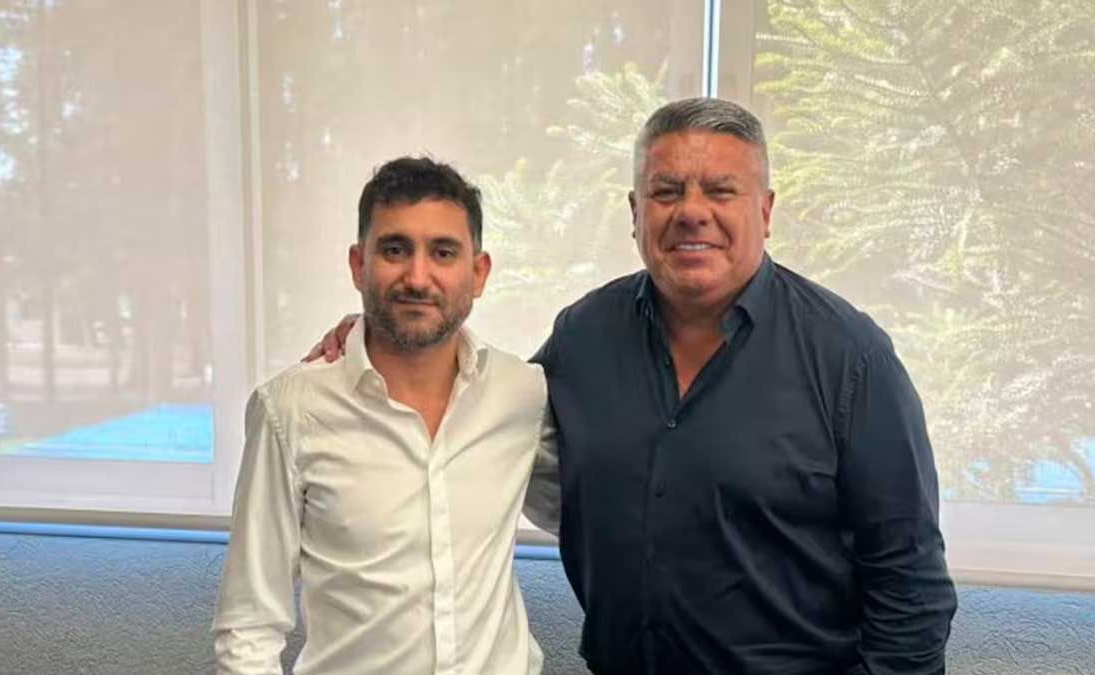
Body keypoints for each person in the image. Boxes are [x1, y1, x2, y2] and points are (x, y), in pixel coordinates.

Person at [307, 98, 957, 674]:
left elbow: (912, 588)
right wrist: (381, 335)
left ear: (764, 210)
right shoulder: (584, 336)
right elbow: (471, 408)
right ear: (635, 212)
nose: (692, 212)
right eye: (666, 191)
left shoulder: (850, 359)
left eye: (720, 190)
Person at [213, 157, 554, 674]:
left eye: (443, 252)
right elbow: (249, 624)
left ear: (478, 272)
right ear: (358, 265)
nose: (417, 277)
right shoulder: (291, 410)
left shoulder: (522, 394)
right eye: (395, 250)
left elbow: (593, 510)